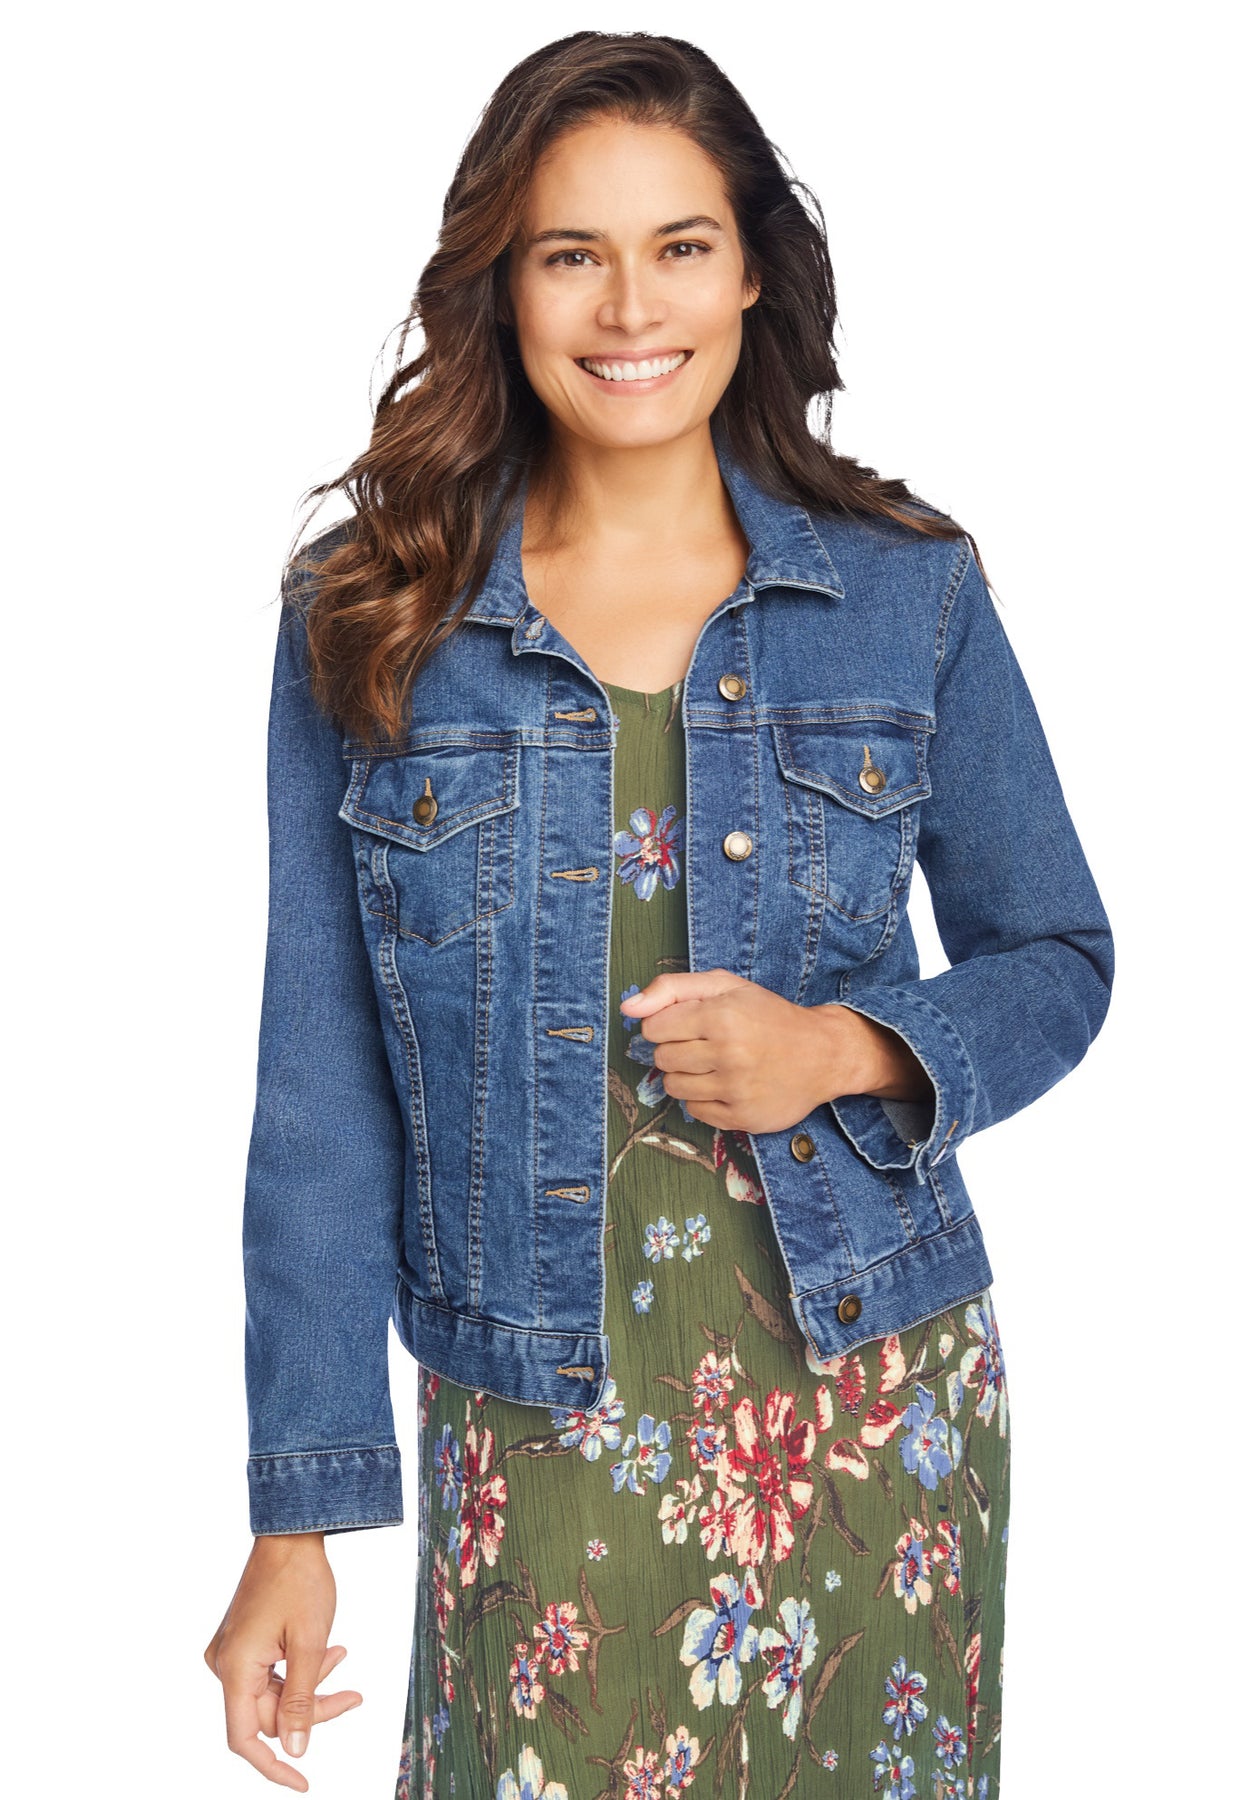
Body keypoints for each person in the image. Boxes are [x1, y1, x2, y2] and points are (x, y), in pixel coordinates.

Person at [204, 30, 1113, 1800]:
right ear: (503, 284)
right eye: (574, 253)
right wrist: (297, 1516)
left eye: (680, 246)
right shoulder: (374, 614)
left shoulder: (907, 593)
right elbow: (318, 1093)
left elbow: (1060, 959)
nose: (631, 307)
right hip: (535, 1415)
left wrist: (846, 1048)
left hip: (872, 1405)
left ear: (753, 270)